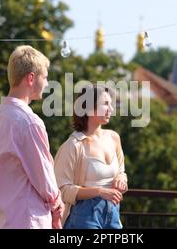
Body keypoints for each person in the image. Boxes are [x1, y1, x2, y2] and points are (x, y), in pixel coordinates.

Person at [0, 45, 63, 229]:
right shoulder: (29, 122)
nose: (48, 84)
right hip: (26, 220)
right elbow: (45, 180)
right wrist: (57, 206)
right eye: (46, 77)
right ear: (31, 78)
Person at [54, 84, 128, 229]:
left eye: (111, 104)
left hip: (113, 212)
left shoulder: (114, 138)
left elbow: (121, 172)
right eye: (105, 104)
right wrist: (99, 191)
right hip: (84, 215)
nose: (111, 109)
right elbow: (62, 190)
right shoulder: (73, 145)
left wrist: (121, 179)